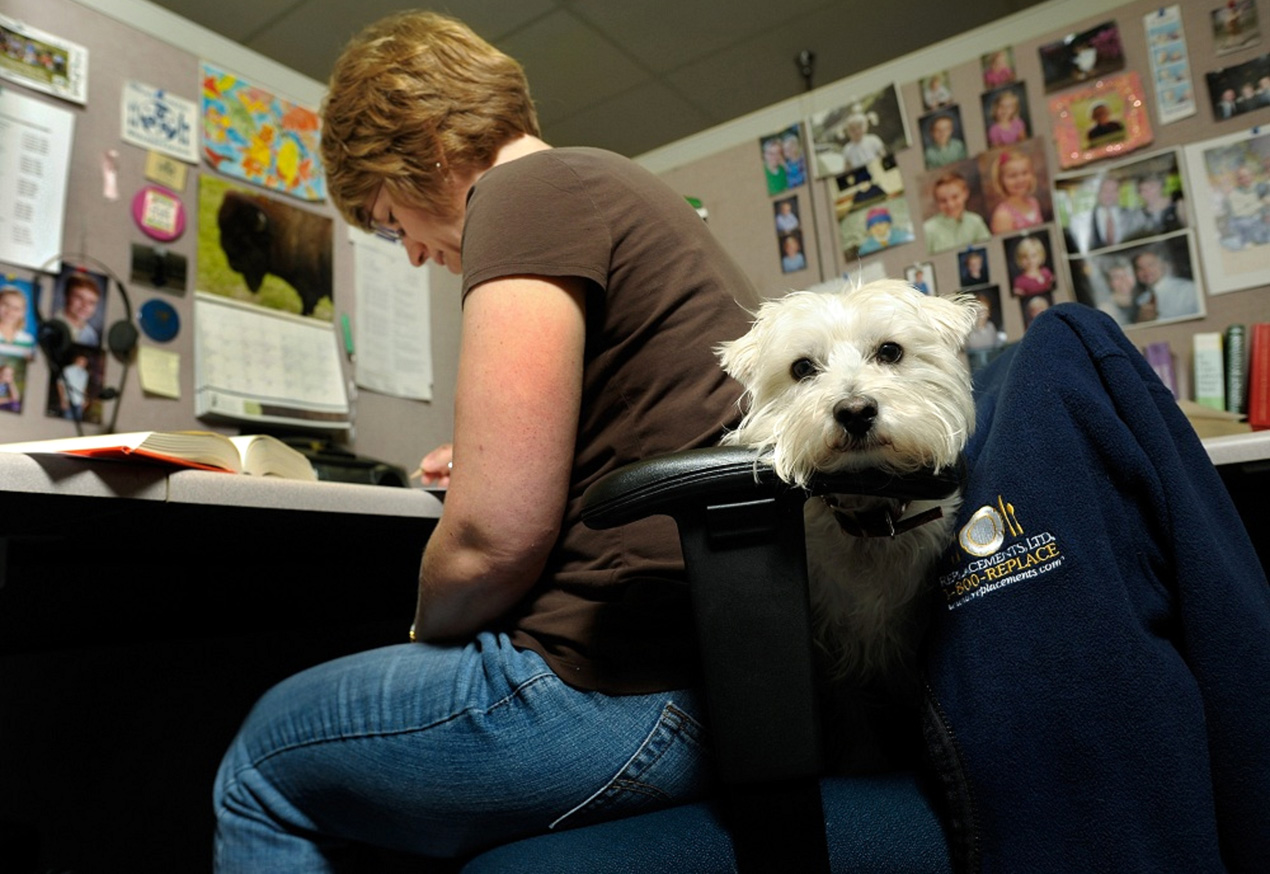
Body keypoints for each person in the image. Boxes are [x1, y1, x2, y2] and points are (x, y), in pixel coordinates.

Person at [212, 11, 757, 869]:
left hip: (621, 694)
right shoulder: (612, 186)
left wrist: (426, 632)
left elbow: (489, 539)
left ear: (425, 144)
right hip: (733, 685)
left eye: (391, 223)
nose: (415, 256)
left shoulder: (522, 194)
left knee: (257, 766)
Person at [923, 171, 991, 254]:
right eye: (943, 201)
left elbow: (989, 250)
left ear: (965, 194)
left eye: (955, 197)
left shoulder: (976, 222)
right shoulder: (928, 230)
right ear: (937, 202)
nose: (950, 205)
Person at [1131, 247, 1199, 322]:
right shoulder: (1141, 300)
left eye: (1150, 265)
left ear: (1163, 265)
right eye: (1140, 268)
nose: (1146, 271)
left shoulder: (1189, 289)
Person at [989, 148, 1043, 233]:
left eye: (1025, 173)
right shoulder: (1003, 215)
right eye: (1012, 176)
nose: (1020, 180)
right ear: (1001, 181)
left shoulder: (1034, 202)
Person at [53, 272, 103, 346]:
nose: (85, 305)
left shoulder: (91, 335)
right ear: (66, 297)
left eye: (91, 302)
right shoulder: (53, 323)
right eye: (79, 298)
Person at [840, 106, 887, 172]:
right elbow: (847, 169)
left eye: (859, 127)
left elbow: (883, 156)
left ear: (864, 127)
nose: (856, 132)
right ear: (848, 132)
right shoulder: (847, 149)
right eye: (852, 130)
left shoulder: (873, 139)